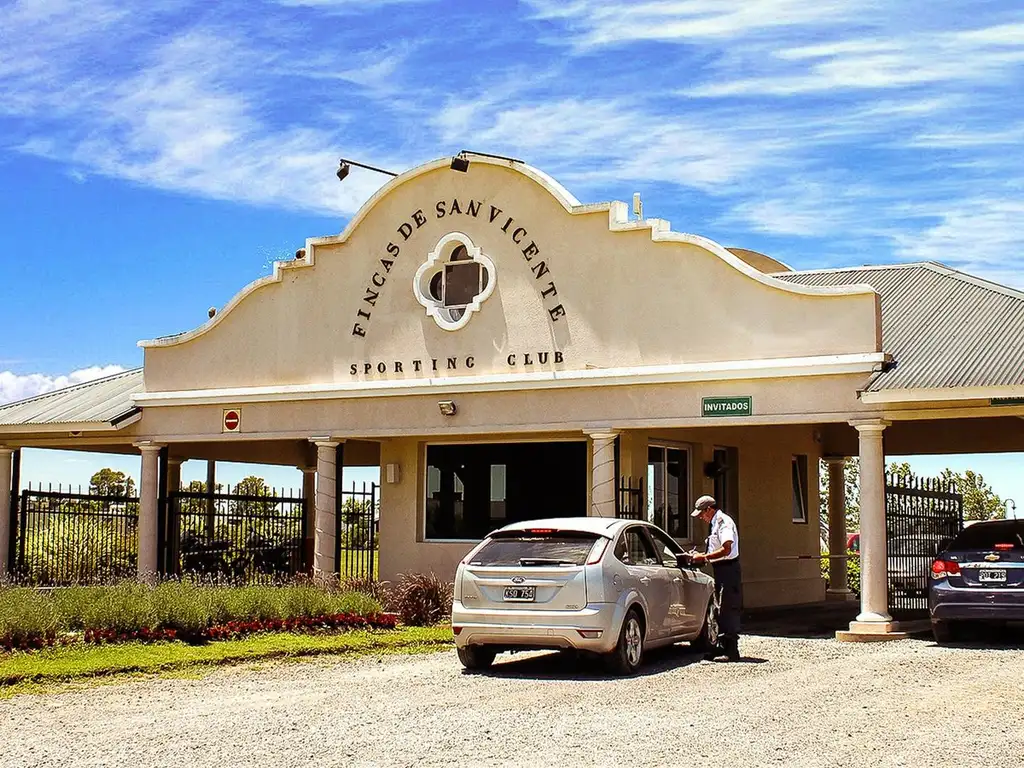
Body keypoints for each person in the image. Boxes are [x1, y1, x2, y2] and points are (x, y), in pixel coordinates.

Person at [689, 495, 742, 662]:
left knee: (727, 607)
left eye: (702, 514)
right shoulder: (714, 524)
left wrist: (705, 558)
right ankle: (722, 645)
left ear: (709, 510)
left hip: (728, 569)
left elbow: (727, 548)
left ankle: (731, 649)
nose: (701, 518)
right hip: (720, 569)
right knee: (720, 608)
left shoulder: (723, 522)